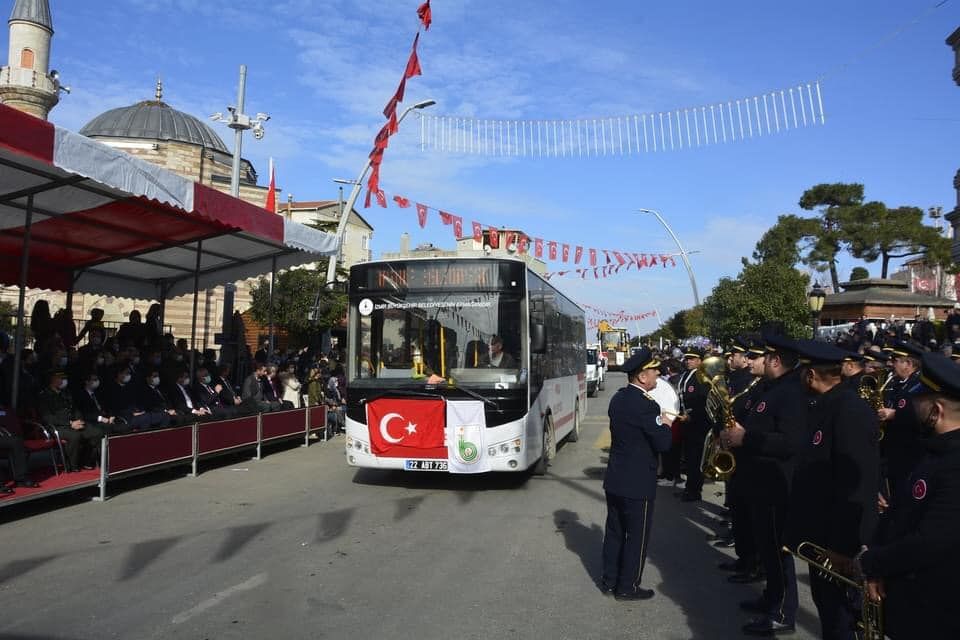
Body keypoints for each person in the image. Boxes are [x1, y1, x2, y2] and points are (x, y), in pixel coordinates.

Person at [854, 351, 960, 640]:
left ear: (936, 410)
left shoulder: (953, 462)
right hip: (911, 596)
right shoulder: (935, 450)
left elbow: (932, 540)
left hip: (936, 607)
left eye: (918, 401)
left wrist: (873, 562)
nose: (912, 406)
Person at [787, 339, 880, 640]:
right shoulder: (826, 406)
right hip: (823, 534)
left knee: (842, 618)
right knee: (829, 611)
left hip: (839, 542)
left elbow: (856, 482)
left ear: (810, 375)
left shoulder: (848, 410)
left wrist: (842, 545)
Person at [723, 333, 807, 636]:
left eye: (763, 356)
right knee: (767, 549)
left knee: (777, 551)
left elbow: (790, 442)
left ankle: (783, 612)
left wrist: (747, 437)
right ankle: (771, 597)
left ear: (775, 360)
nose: (753, 361)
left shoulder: (791, 392)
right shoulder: (771, 388)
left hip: (775, 485)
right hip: (759, 481)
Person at [600, 347, 673, 601]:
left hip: (616, 478)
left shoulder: (618, 399)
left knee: (614, 532)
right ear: (642, 376)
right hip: (638, 481)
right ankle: (627, 586)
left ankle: (609, 580)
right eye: (654, 372)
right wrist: (666, 425)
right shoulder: (647, 406)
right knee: (636, 537)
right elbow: (663, 444)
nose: (657, 375)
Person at [36, 370, 104, 472]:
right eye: (61, 378)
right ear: (53, 380)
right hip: (57, 426)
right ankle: (72, 465)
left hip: (74, 423)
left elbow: (75, 410)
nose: (64, 381)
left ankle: (87, 460)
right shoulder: (44, 396)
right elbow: (48, 417)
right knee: (74, 436)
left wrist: (79, 420)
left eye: (64, 378)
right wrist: (70, 423)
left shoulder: (66, 393)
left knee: (96, 432)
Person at [675, 347, 710, 502]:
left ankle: (694, 490)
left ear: (700, 361)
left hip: (697, 424)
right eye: (687, 359)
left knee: (696, 459)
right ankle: (690, 487)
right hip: (686, 422)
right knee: (689, 458)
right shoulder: (686, 375)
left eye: (692, 359)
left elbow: (704, 401)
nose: (688, 361)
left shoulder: (702, 377)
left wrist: (692, 415)